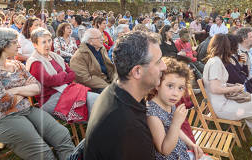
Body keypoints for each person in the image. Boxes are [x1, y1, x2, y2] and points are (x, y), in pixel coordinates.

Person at [0, 27, 74, 159]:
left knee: (62, 135)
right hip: (0, 120)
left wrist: (15, 90)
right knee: (43, 153)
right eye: (14, 42)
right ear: (2, 45)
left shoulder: (17, 65)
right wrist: (24, 91)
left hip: (26, 111)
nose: (19, 45)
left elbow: (37, 87)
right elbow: (3, 103)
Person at [84, 31, 167, 159]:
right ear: (137, 71)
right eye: (158, 62)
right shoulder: (128, 129)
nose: (164, 66)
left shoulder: (114, 91)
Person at [203, 34, 252, 160]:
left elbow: (218, 84)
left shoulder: (215, 60)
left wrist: (231, 85)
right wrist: (235, 88)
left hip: (226, 101)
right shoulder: (215, 62)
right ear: (225, 46)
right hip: (223, 108)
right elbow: (214, 88)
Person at [27, 28, 99, 121]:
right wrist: (63, 74)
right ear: (35, 45)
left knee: (97, 99)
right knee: (93, 105)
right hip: (50, 99)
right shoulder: (35, 62)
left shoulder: (54, 56)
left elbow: (72, 74)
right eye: (43, 42)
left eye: (49, 41)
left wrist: (59, 78)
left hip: (66, 91)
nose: (48, 45)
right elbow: (50, 81)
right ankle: (96, 129)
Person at [146, 57, 204, 160]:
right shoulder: (152, 114)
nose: (175, 93)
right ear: (157, 84)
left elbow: (176, 130)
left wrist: (191, 144)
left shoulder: (169, 103)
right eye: (170, 86)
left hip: (181, 153)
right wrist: (176, 122)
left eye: (180, 88)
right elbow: (164, 150)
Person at [70, 28, 116, 94]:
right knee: (113, 96)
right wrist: (108, 87)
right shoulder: (79, 56)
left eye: (102, 36)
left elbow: (110, 69)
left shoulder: (101, 49)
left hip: (107, 82)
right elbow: (84, 79)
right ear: (90, 41)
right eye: (99, 38)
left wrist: (116, 81)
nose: (102, 39)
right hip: (93, 87)